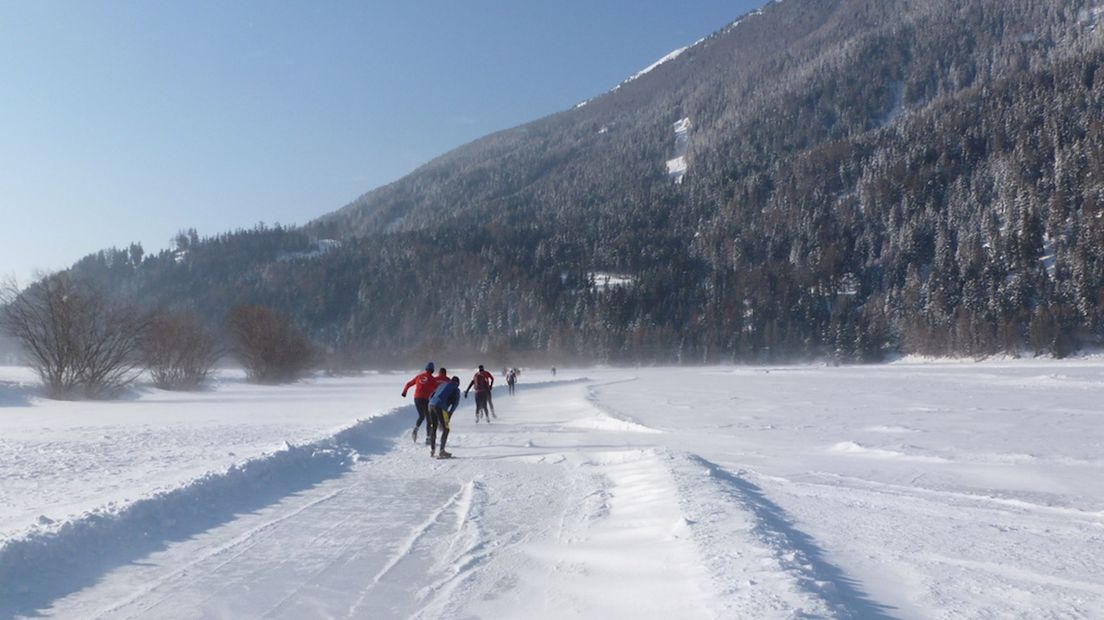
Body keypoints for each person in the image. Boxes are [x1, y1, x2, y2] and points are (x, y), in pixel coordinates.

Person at [402, 362, 439, 444]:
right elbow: (438, 390)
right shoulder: (432, 379)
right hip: (425, 399)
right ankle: (428, 438)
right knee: (429, 418)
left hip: (416, 398)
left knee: (421, 415)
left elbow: (408, 384)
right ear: (432, 370)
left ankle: (416, 428)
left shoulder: (419, 376)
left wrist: (404, 392)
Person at [427, 376, 461, 458]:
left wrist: (432, 404)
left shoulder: (442, 384)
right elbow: (455, 403)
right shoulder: (456, 389)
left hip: (431, 405)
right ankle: (442, 451)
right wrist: (450, 413)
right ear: (458, 383)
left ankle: (432, 450)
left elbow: (431, 395)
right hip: (440, 407)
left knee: (433, 427)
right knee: (446, 429)